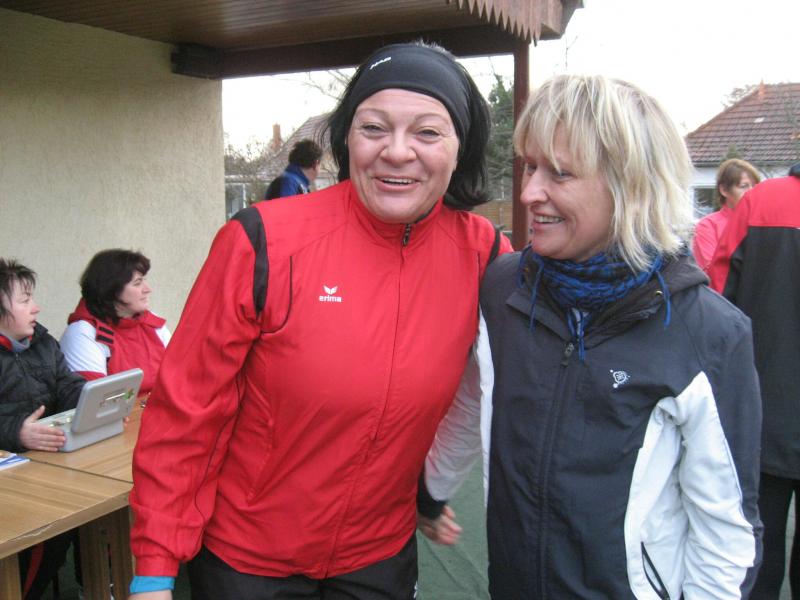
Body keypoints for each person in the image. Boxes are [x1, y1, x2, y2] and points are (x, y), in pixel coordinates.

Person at [128, 41, 511, 600]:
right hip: (249, 560)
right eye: (373, 128)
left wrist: (430, 491)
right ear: (346, 139)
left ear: (461, 148)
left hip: (378, 557)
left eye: (427, 133)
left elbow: (489, 387)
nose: (397, 152)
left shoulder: (484, 255)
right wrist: (154, 568)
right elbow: (187, 412)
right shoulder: (261, 240)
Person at [419, 74, 763, 598]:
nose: (529, 192)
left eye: (559, 173)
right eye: (530, 166)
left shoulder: (708, 332)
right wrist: (432, 489)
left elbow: (726, 536)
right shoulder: (504, 287)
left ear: (631, 186)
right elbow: (478, 397)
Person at [709, 164, 800, 599]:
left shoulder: (762, 201)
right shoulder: (764, 200)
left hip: (763, 412)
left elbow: (719, 299)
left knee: (754, 550)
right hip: (764, 412)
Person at [0, 258, 86, 600]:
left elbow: (67, 384)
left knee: (68, 523)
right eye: (24, 300)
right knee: (44, 531)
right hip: (11, 481)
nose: (36, 307)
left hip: (45, 465)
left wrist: (92, 402)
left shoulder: (43, 343)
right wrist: (16, 433)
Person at [60, 249, 170, 394]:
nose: (148, 289)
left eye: (144, 280)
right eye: (137, 283)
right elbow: (98, 400)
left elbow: (178, 375)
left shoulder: (151, 323)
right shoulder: (83, 332)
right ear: (112, 289)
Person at [692, 158, 761, 270]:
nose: (752, 192)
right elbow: (711, 270)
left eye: (755, 186)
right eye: (744, 186)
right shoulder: (708, 226)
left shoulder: (762, 224)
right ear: (724, 190)